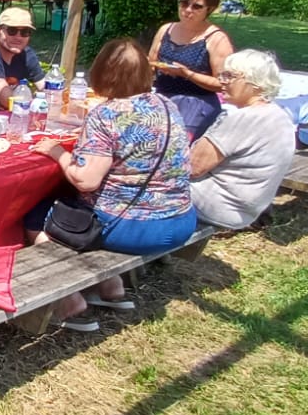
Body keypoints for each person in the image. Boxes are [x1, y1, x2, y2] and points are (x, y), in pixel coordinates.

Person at [30, 39, 197, 330]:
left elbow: (86, 180)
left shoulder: (106, 115)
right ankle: (111, 288)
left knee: (35, 215)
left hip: (135, 228)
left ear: (103, 73)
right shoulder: (167, 104)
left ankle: (69, 300)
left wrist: (56, 152)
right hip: (181, 218)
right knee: (75, 206)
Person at [189, 50, 296, 230]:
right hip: (247, 208)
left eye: (229, 76)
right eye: (222, 74)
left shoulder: (243, 118)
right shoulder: (279, 114)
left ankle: (142, 244)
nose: (221, 80)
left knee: (139, 184)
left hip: (218, 205)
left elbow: (192, 167)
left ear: (254, 82)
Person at [149, 0, 234, 139]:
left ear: (210, 9)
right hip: (162, 97)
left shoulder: (216, 39)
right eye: (184, 3)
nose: (188, 10)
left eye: (197, 6)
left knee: (175, 145)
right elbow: (151, 63)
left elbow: (224, 84)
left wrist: (187, 74)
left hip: (197, 103)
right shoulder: (166, 29)